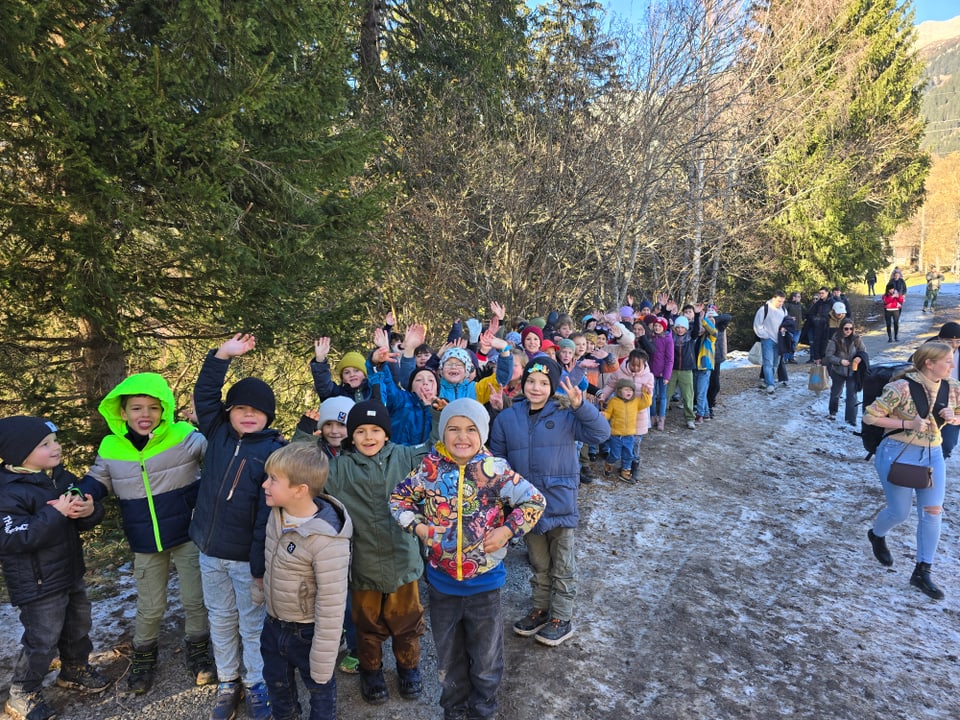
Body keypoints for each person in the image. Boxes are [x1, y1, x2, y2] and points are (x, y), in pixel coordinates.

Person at [390, 399, 546, 720]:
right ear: (442, 432)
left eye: (471, 429)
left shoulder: (495, 471)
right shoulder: (428, 471)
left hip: (484, 587)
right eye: (454, 429)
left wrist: (506, 530)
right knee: (449, 659)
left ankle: (483, 711)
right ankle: (454, 710)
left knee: (487, 660)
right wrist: (418, 525)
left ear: (483, 433)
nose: (462, 436)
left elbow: (534, 500)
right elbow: (398, 499)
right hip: (442, 586)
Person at [82, 372, 214, 695]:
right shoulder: (111, 446)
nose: (145, 415)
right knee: (150, 605)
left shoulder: (183, 435)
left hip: (188, 534)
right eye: (137, 408)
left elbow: (218, 453)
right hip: (145, 540)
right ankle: (143, 656)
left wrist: (208, 423)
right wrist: (80, 494)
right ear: (122, 412)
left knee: (195, 599)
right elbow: (97, 479)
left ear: (164, 409)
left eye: (153, 408)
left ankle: (198, 649)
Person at [191, 333, 286, 720]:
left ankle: (256, 683)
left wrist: (260, 568)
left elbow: (267, 516)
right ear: (229, 412)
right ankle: (229, 681)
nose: (248, 414)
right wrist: (222, 356)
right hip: (209, 553)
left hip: (247, 562)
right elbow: (206, 393)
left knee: (251, 625)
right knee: (220, 618)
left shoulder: (271, 452)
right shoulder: (217, 432)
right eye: (240, 407)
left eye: (257, 411)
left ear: (268, 417)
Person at [489, 358, 610, 647]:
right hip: (526, 506)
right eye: (531, 381)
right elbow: (497, 460)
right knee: (539, 562)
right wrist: (506, 499)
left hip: (559, 501)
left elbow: (601, 433)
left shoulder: (567, 413)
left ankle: (562, 617)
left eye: (544, 383)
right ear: (523, 383)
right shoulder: (508, 418)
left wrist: (581, 406)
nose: (536, 387)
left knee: (562, 564)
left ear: (553, 386)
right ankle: (541, 608)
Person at [0, 416, 109, 720]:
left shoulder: (58, 479)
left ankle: (74, 669)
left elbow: (82, 514)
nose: (56, 447)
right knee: (42, 639)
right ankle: (23, 692)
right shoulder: (7, 492)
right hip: (37, 583)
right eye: (45, 445)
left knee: (77, 624)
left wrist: (88, 510)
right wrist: (57, 513)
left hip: (69, 571)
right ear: (19, 454)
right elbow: (15, 537)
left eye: (54, 441)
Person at [326, 400, 429, 704]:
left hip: (403, 561)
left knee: (407, 622)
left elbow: (440, 448)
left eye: (375, 430)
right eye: (360, 431)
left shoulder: (406, 456)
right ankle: (371, 672)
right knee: (367, 626)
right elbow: (306, 474)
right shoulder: (340, 468)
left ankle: (408, 668)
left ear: (386, 434)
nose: (368, 437)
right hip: (363, 565)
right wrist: (308, 433)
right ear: (351, 436)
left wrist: (437, 413)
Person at [260, 442, 352, 720]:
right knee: (277, 683)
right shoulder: (276, 514)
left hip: (307, 632)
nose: (265, 484)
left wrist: (324, 661)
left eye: (273, 479)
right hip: (274, 622)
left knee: (319, 688)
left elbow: (332, 604)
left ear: (299, 490)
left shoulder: (327, 540)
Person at [863, 343, 960, 600]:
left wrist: (953, 417)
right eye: (948, 361)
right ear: (929, 363)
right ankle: (876, 534)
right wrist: (908, 423)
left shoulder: (952, 387)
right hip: (896, 452)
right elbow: (870, 416)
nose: (952, 365)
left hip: (932, 454)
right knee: (900, 512)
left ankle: (922, 570)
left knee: (933, 512)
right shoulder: (901, 387)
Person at [601, 379, 650, 483]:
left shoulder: (635, 402)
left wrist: (645, 393)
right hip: (616, 435)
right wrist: (604, 415)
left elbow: (646, 403)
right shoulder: (613, 401)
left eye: (631, 390)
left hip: (629, 435)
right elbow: (609, 413)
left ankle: (625, 472)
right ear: (619, 391)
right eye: (626, 389)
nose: (629, 392)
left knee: (628, 455)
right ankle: (609, 463)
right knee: (615, 455)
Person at [825, 320, 867, 427]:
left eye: (851, 329)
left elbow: (864, 352)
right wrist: (840, 361)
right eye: (846, 328)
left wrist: (858, 358)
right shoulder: (835, 339)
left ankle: (851, 419)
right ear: (841, 328)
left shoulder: (857, 339)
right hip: (838, 370)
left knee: (852, 395)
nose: (848, 331)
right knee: (836, 393)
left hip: (853, 371)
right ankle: (832, 412)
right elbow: (829, 356)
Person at [753, 291, 788, 394]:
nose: (780, 303)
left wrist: (784, 329)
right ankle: (770, 384)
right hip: (767, 339)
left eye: (782, 301)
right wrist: (765, 335)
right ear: (773, 299)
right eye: (778, 301)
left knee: (775, 363)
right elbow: (757, 324)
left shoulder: (783, 309)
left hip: (779, 339)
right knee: (768, 362)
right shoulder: (764, 309)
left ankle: (770, 380)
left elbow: (786, 322)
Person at [666, 315, 697, 429]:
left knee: (688, 395)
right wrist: (666, 310)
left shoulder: (690, 338)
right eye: (678, 327)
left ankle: (690, 418)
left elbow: (697, 329)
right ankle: (662, 416)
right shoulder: (671, 337)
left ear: (686, 328)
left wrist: (697, 315)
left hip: (686, 370)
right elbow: (666, 326)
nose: (680, 329)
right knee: (667, 393)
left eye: (682, 327)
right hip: (672, 369)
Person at [647, 316, 674, 431]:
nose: (657, 328)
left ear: (664, 327)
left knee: (662, 396)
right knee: (652, 396)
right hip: (652, 372)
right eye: (655, 326)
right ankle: (653, 416)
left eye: (659, 326)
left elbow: (669, 358)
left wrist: (667, 374)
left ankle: (661, 418)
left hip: (663, 372)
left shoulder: (668, 339)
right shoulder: (651, 337)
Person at [782, 292, 804, 364]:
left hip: (798, 328)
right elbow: (782, 314)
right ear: (793, 297)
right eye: (798, 296)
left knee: (794, 343)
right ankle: (785, 358)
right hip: (789, 328)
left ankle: (791, 358)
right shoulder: (787, 305)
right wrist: (789, 317)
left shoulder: (800, 305)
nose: (799, 298)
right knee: (788, 343)